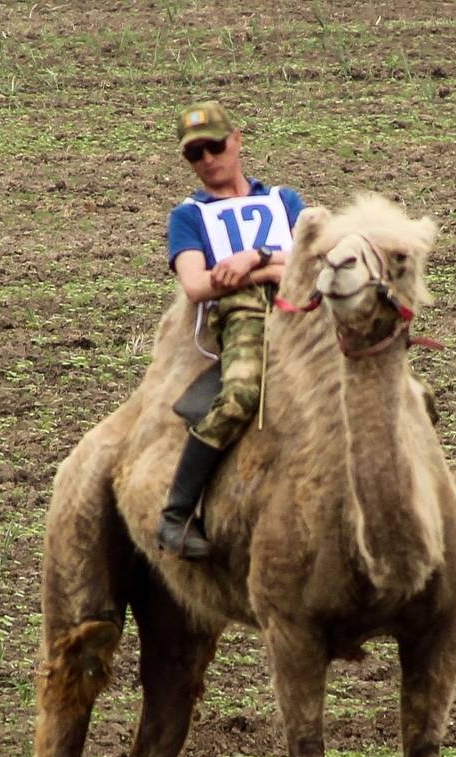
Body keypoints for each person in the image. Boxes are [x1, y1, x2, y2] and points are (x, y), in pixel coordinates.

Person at [157, 101, 306, 559]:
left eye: (214, 146)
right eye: (194, 154)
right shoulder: (188, 216)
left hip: (304, 310)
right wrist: (269, 268)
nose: (207, 160)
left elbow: (319, 261)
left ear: (236, 140)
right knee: (240, 394)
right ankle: (177, 515)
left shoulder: (284, 200)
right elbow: (198, 284)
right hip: (243, 316)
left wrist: (251, 259)